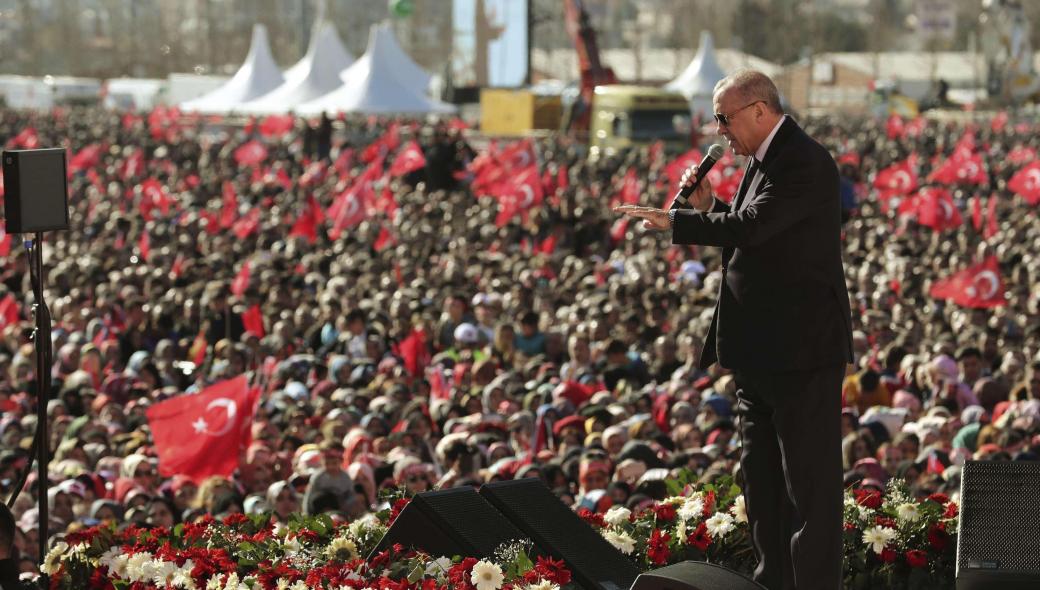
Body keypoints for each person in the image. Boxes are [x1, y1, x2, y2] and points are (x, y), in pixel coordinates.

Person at [615, 69, 852, 590]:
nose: (718, 130)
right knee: (763, 488)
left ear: (760, 110)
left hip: (801, 353)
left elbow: (755, 228)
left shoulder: (803, 161)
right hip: (758, 354)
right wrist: (711, 209)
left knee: (809, 493)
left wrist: (678, 222)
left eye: (724, 117)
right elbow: (758, 239)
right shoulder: (760, 161)